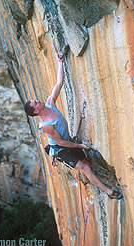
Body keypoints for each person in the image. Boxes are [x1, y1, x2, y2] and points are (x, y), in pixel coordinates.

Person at [24, 55, 123, 200]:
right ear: (36, 111)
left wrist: (60, 63)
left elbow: (59, 83)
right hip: (60, 150)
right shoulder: (46, 125)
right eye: (36, 103)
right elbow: (62, 143)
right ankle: (110, 193)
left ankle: (86, 180)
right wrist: (79, 145)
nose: (38, 100)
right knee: (86, 167)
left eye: (36, 100)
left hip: (67, 142)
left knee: (87, 164)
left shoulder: (50, 103)